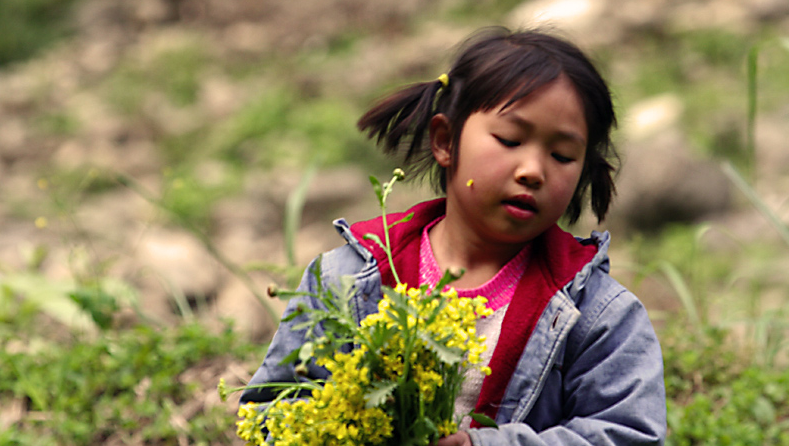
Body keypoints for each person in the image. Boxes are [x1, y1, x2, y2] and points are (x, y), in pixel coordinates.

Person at [241, 27, 666, 446]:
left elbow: (629, 434)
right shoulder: (347, 280)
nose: (533, 170)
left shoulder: (599, 316)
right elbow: (271, 410)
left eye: (561, 155)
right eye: (510, 139)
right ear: (446, 141)